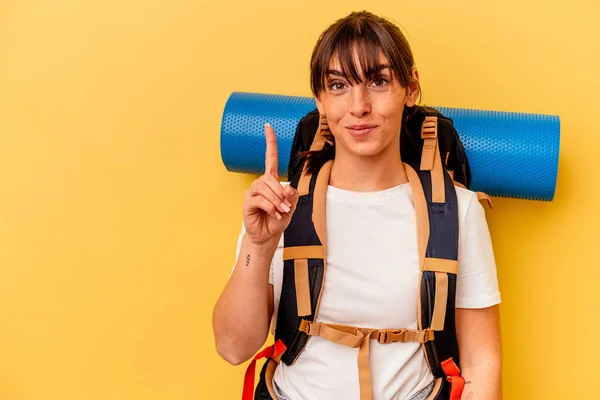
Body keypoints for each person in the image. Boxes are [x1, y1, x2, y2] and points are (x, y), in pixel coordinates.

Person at [213, 10, 501, 400]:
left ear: (410, 88)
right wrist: (258, 245)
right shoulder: (279, 206)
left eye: (378, 81)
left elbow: (482, 364)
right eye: (338, 85)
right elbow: (233, 348)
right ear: (319, 98)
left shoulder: (457, 212)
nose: (359, 105)